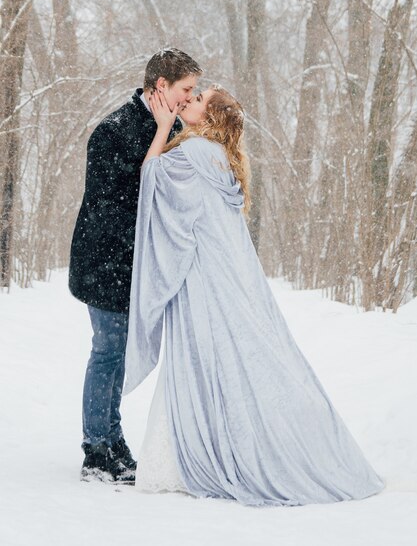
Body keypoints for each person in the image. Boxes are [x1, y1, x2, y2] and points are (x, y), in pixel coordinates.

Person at [123, 84, 386, 506]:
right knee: (233, 361)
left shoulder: (194, 155)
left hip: (205, 279)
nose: (188, 101)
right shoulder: (217, 156)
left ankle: (229, 447)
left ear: (209, 118)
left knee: (209, 360)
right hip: (222, 275)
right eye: (191, 95)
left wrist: (160, 127)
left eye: (197, 100)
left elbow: (151, 177)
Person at [69, 48, 202, 483]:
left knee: (121, 353)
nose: (190, 97)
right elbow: (119, 205)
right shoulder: (113, 131)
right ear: (160, 86)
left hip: (140, 265)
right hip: (104, 261)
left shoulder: (174, 128)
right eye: (186, 89)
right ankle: (96, 449)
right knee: (107, 350)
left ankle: (113, 438)